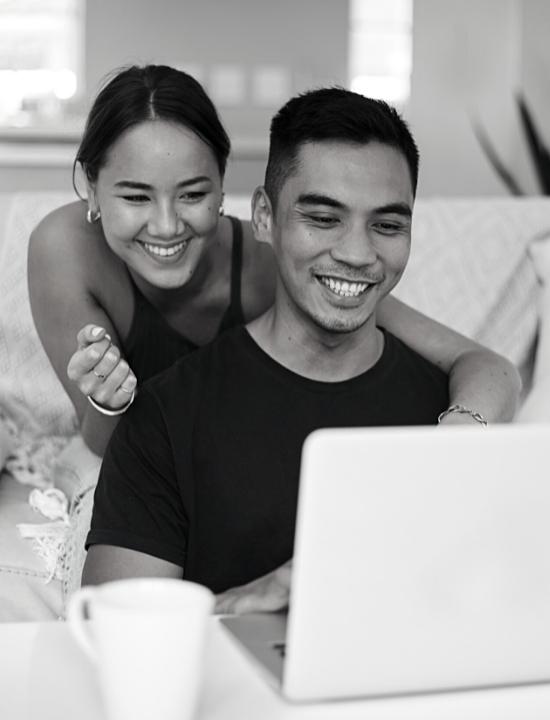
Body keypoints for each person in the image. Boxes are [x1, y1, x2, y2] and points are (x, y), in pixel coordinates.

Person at [81, 87, 510, 614]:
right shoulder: (163, 418)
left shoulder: (458, 416)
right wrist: (256, 601)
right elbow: (114, 641)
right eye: (323, 218)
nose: (357, 254)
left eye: (388, 225)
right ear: (264, 217)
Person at [28, 65, 520, 463]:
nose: (165, 226)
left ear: (224, 187)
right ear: (91, 186)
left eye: (193, 194)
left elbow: (487, 367)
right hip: (141, 477)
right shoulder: (65, 250)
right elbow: (103, 445)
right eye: (136, 196)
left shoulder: (275, 259)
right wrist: (105, 400)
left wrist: (458, 438)